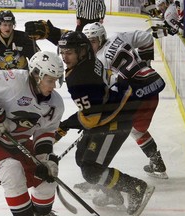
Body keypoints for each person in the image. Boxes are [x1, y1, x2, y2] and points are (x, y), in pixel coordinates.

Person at [56, 31, 155, 215]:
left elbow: (92, 117)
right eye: (62, 52)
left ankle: (136, 187)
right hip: (109, 113)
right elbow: (92, 111)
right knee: (82, 158)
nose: (64, 57)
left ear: (81, 51)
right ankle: (112, 194)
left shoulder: (78, 79)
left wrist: (64, 126)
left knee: (91, 171)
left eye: (69, 52)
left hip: (114, 123)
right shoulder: (89, 60)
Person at [0, 51, 65, 216]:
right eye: (50, 80)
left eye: (56, 80)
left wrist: (45, 159)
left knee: (48, 176)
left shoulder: (55, 104)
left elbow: (45, 131)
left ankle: (41, 214)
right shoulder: (12, 81)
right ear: (36, 75)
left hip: (16, 142)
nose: (53, 86)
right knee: (11, 170)